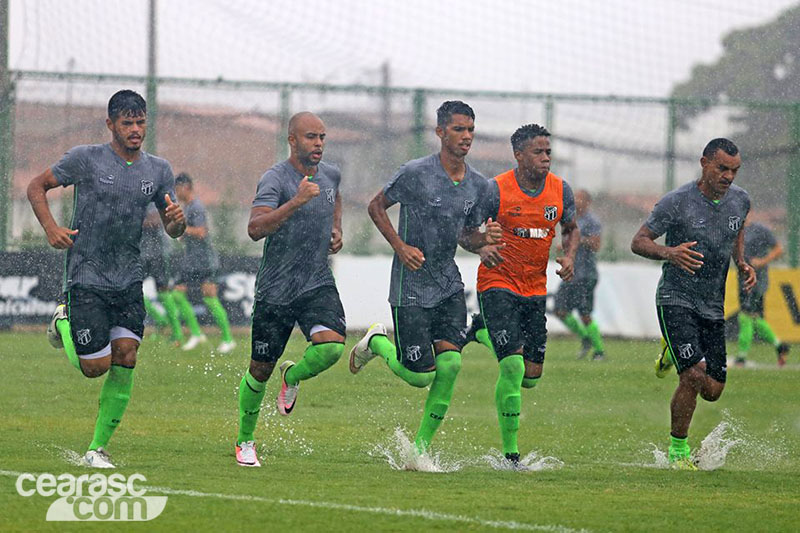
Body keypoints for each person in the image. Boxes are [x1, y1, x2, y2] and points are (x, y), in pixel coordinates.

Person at [28, 90, 186, 468]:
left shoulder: (158, 170)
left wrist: (176, 224)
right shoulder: (86, 159)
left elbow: (172, 226)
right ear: (110, 124)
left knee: (127, 355)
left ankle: (96, 449)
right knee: (94, 368)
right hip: (87, 273)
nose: (135, 129)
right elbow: (36, 187)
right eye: (127, 122)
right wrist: (51, 229)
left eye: (140, 122)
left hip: (129, 276)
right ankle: (63, 320)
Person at [349, 101, 501, 458]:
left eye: (471, 130)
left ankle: (420, 451)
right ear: (440, 132)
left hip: (448, 284)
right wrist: (400, 247)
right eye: (459, 129)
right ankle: (376, 343)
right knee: (419, 376)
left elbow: (467, 237)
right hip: (411, 285)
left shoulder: (478, 185)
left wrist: (485, 241)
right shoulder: (415, 172)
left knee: (451, 364)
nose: (467, 137)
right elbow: (375, 206)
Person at [631, 138, 755, 470]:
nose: (729, 177)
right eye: (722, 169)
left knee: (713, 389)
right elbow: (638, 241)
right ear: (704, 163)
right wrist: (669, 252)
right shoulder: (677, 202)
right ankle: (677, 452)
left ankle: (671, 351)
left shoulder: (740, 200)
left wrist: (741, 261)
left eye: (734, 170)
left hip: (713, 305)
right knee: (695, 375)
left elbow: (738, 228)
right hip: (676, 298)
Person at [235, 111, 346, 467]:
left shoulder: (330, 174)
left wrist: (336, 229)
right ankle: (245, 441)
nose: (318, 144)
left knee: (331, 348)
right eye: (311, 137)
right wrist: (296, 201)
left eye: (322, 137)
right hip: (277, 289)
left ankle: (293, 375)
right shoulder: (276, 178)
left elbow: (335, 196)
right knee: (259, 370)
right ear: (292, 140)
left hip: (316, 280)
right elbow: (254, 229)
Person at [466, 123, 579, 465]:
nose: (546, 158)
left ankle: (480, 331)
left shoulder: (561, 190)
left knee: (531, 377)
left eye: (548, 152)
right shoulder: (495, 189)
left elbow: (571, 228)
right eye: (538, 152)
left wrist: (569, 255)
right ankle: (511, 455)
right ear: (518, 155)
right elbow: (466, 232)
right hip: (497, 283)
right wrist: (482, 245)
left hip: (534, 288)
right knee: (513, 366)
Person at [171, 172, 236, 354]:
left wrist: (183, 230)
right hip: (192, 261)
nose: (176, 193)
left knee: (209, 297)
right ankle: (197, 333)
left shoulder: (196, 207)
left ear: (186, 187)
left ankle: (228, 339)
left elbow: (201, 232)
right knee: (177, 294)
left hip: (204, 261)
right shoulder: (188, 208)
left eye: (177, 189)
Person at [553, 189, 605, 360]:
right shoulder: (570, 219)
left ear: (588, 202)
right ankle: (586, 338)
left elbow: (596, 245)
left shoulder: (592, 221)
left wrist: (576, 241)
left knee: (584, 313)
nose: (576, 201)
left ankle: (599, 351)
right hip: (570, 273)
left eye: (580, 198)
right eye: (574, 198)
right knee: (559, 310)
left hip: (585, 274)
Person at [735, 217, 790, 366]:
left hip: (757, 280)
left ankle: (741, 357)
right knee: (753, 318)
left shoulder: (760, 230)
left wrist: (762, 261)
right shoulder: (735, 228)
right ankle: (780, 346)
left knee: (745, 316)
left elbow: (779, 249)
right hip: (742, 279)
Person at [141, 204, 184, 344]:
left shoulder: (152, 195)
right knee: (132, 288)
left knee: (163, 291)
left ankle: (177, 333)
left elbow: (157, 219)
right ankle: (160, 319)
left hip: (158, 253)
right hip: (141, 252)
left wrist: (135, 220)